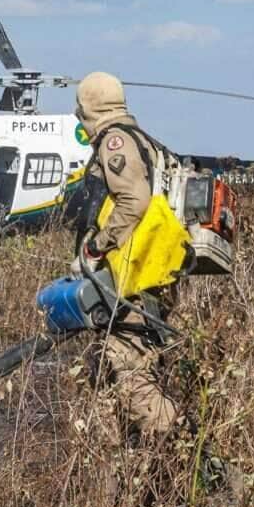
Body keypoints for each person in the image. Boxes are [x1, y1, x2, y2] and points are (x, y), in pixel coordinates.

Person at [73, 71, 180, 442]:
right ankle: (122, 463)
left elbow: (134, 200)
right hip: (147, 275)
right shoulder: (142, 140)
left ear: (90, 106)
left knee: (132, 379)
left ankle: (184, 454)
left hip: (134, 281)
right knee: (105, 371)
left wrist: (95, 247)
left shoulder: (114, 141)